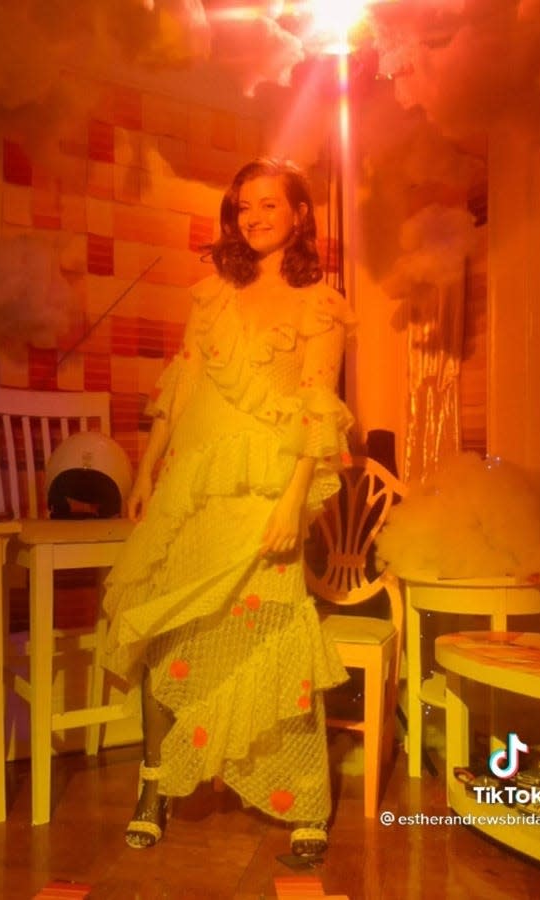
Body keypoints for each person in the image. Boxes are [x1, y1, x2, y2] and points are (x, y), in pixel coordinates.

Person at [102, 158, 353, 858]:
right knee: (162, 626)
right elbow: (184, 381)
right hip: (194, 483)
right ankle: (156, 784)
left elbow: (318, 409)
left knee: (275, 634)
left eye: (270, 205)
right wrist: (149, 467)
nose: (256, 217)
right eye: (245, 207)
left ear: (300, 215)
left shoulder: (320, 302)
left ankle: (304, 799)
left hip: (268, 486)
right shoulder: (211, 293)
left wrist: (293, 502)